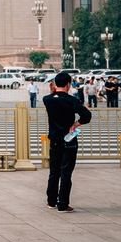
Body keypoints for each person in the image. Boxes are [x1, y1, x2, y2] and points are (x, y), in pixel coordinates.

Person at [43, 72, 92, 213]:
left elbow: (52, 97)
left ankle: (51, 201)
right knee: (66, 173)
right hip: (69, 140)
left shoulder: (47, 99)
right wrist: (76, 123)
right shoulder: (72, 100)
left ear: (54, 84)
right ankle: (63, 203)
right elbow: (87, 115)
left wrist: (52, 91)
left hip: (54, 140)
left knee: (54, 172)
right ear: (69, 85)